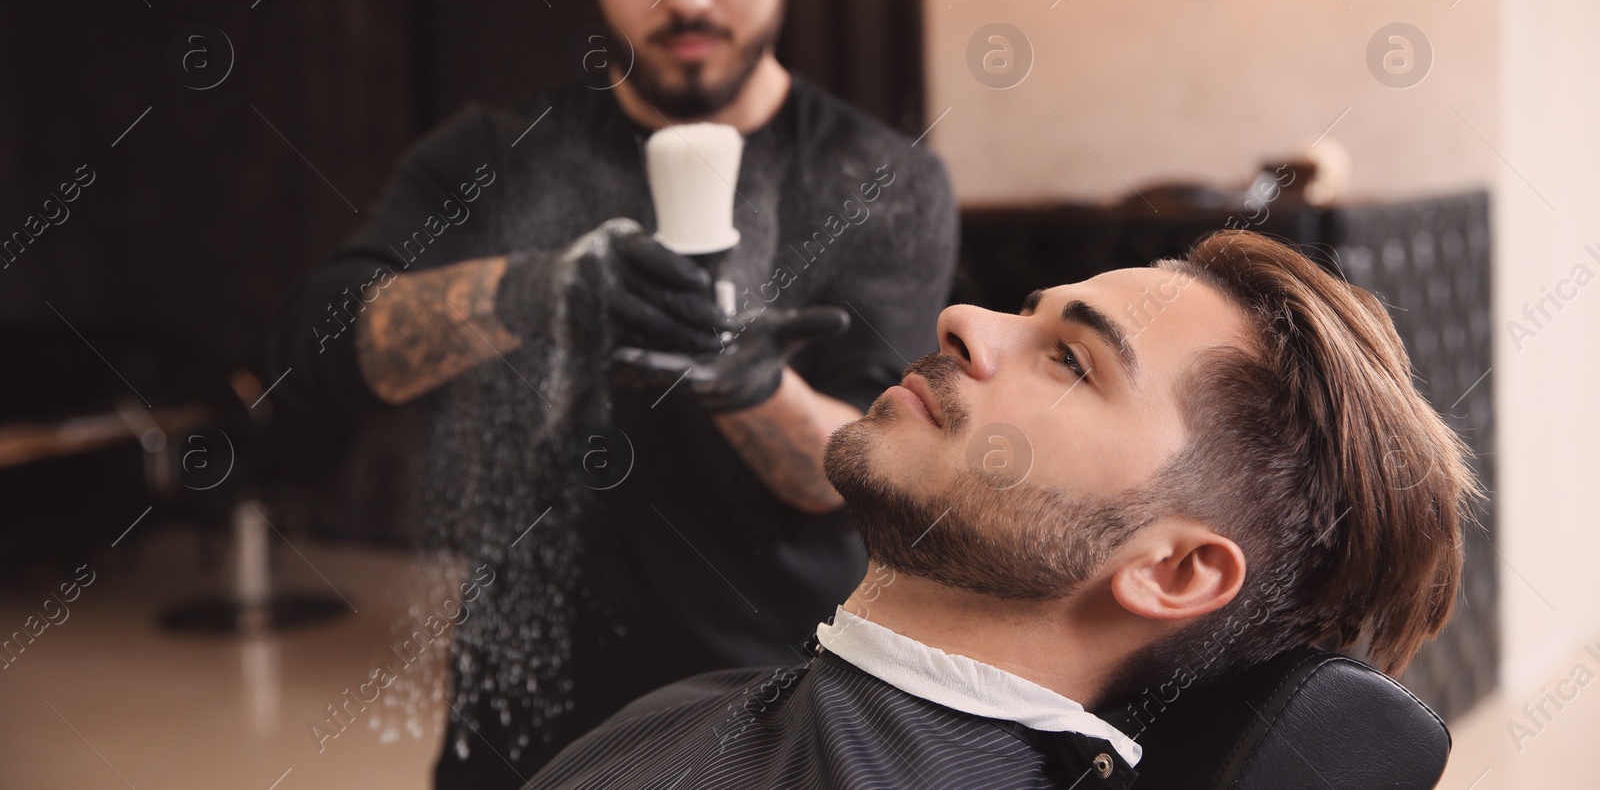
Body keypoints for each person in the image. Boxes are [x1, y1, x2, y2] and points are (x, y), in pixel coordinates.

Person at [265, 0, 957, 790]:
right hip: (526, 729)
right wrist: (530, 291)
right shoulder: (491, 156)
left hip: (770, 728)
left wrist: (747, 380)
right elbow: (313, 349)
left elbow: (878, 483)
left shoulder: (884, 181)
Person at [519, 230, 1480, 789]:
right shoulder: (724, 708)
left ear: (1173, 568)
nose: (966, 322)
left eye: (1071, 359)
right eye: (1028, 310)